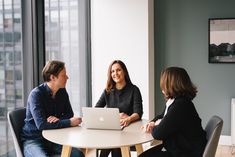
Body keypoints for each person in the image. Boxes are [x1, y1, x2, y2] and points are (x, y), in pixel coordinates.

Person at [21, 60, 84, 157]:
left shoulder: (62, 91)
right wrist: (69, 122)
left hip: (54, 139)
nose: (67, 77)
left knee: (78, 155)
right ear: (53, 77)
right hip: (34, 140)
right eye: (63, 75)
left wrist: (57, 120)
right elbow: (41, 125)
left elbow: (69, 114)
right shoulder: (36, 94)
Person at [141, 67, 207, 157]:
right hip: (181, 147)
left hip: (187, 152)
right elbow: (162, 116)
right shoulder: (175, 101)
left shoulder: (180, 105)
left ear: (170, 84)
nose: (162, 86)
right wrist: (153, 122)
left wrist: (154, 126)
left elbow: (158, 134)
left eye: (164, 83)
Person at [96, 60, 143, 157]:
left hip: (129, 130)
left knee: (114, 144)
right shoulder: (108, 91)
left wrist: (128, 119)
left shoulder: (134, 90)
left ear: (124, 72)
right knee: (109, 143)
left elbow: (138, 112)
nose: (115, 74)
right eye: (112, 71)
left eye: (118, 70)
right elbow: (96, 109)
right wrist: (115, 115)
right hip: (112, 129)